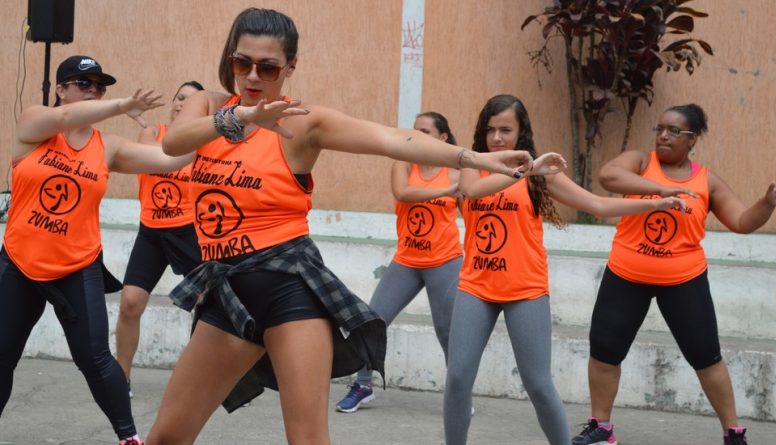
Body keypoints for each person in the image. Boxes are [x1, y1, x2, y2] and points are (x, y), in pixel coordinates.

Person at [144, 9, 563, 445]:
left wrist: (473, 158)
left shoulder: (302, 122)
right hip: (228, 294)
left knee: (308, 439)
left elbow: (388, 138)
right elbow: (173, 142)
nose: (252, 76)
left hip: (290, 292)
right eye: (242, 62)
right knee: (166, 437)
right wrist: (243, 117)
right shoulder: (208, 106)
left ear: (290, 67)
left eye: (267, 67)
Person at [443, 94, 686, 445]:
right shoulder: (474, 164)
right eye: (491, 130)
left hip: (525, 290)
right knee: (457, 379)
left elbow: (598, 205)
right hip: (475, 287)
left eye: (506, 130)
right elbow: (472, 191)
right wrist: (527, 169)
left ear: (521, 132)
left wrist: (656, 201)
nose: (496, 138)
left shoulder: (540, 173)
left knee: (538, 385)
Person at [571, 104, 776, 445]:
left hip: (684, 280)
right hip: (626, 275)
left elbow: (741, 221)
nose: (664, 136)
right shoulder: (640, 162)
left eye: (675, 131)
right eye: (660, 129)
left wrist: (767, 203)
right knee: (604, 350)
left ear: (693, 139)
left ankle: (733, 433)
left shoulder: (706, 181)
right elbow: (608, 177)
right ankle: (601, 428)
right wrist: (661, 190)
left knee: (706, 357)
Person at [0, 55, 196, 445]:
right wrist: (122, 105)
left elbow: (170, 160)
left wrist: (221, 128)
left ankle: (129, 438)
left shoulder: (108, 147)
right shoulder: (34, 123)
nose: (93, 91)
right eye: (83, 83)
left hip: (77, 265)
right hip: (20, 261)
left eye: (99, 87)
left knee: (95, 358)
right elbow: (62, 119)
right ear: (60, 90)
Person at [335, 111, 463, 413]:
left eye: (425, 131)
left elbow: (472, 215)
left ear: (443, 137)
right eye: (415, 130)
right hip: (407, 261)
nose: (417, 135)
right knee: (371, 322)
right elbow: (403, 193)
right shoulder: (403, 164)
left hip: (445, 261)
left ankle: (459, 393)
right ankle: (363, 385)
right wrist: (446, 191)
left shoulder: (456, 173)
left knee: (448, 332)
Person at [115, 81, 205, 396]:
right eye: (179, 98)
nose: (181, 104)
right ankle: (121, 379)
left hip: (189, 232)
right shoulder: (151, 133)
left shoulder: (205, 144)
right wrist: (142, 122)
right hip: (151, 232)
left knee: (209, 305)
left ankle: (213, 379)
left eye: (190, 102)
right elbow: (155, 155)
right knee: (130, 302)